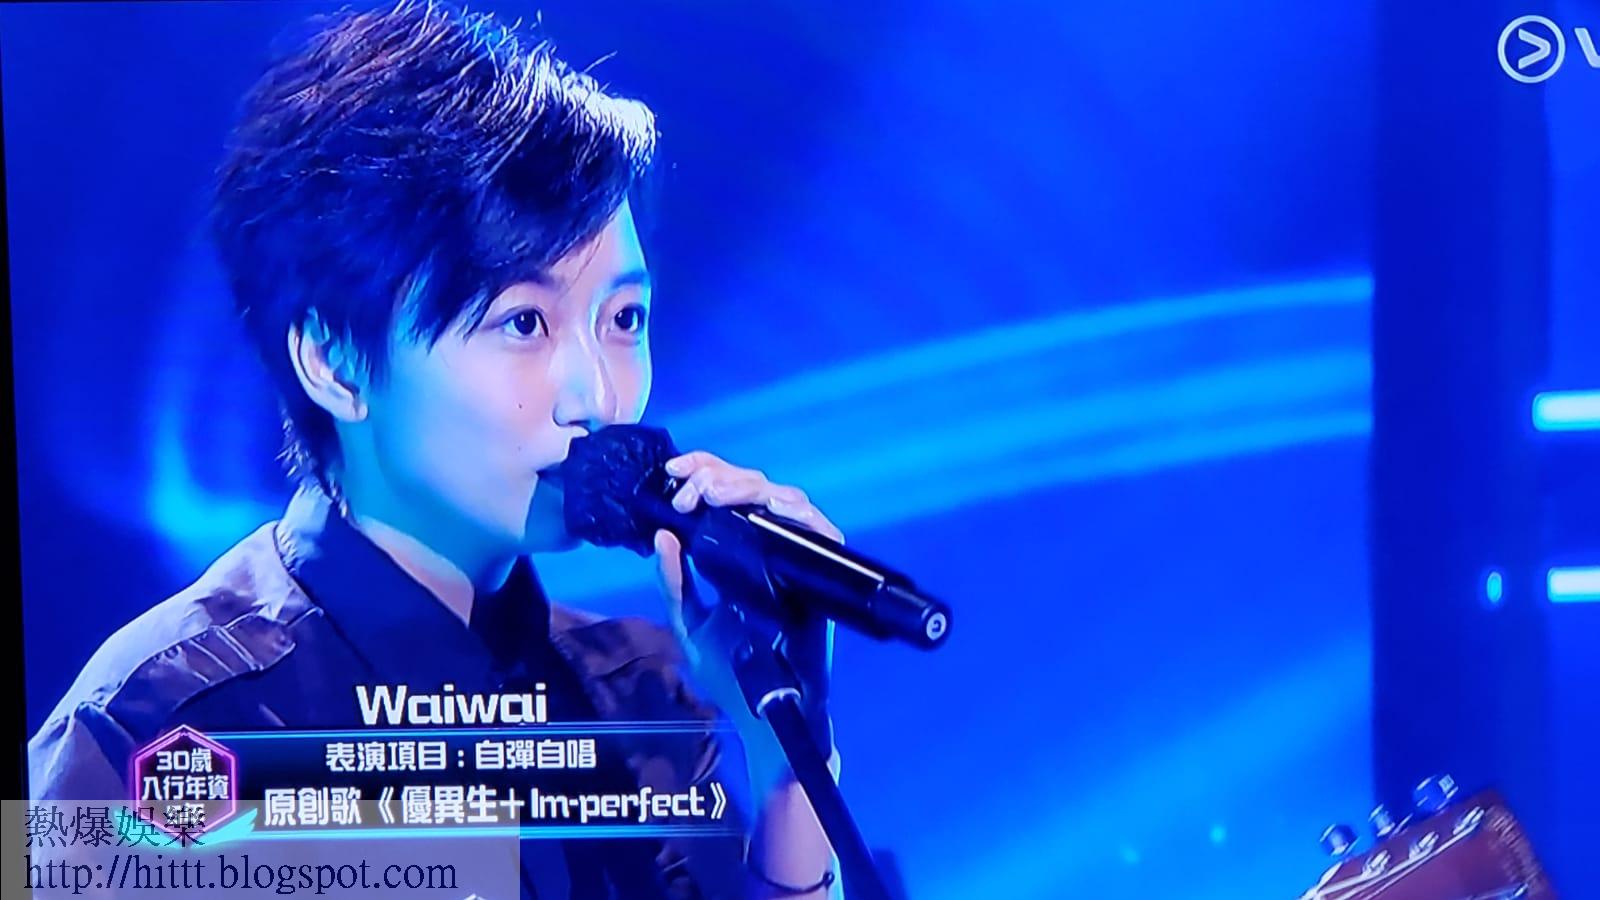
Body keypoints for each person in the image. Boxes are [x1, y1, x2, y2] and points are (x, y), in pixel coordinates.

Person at [27, 1, 843, 896]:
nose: (598, 397)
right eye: (523, 322)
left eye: (624, 319)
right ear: (335, 362)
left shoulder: (646, 698)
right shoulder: (163, 728)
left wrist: (788, 764)